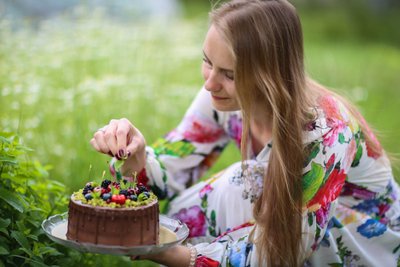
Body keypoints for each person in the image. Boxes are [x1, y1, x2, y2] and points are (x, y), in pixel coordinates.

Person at [90, 0, 400, 266]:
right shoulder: (222, 95)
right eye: (207, 62)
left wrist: (181, 257)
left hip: (363, 242)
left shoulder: (326, 131)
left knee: (242, 183)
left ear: (271, 77)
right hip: (294, 228)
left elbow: (285, 251)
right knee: (194, 208)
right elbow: (171, 175)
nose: (210, 83)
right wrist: (138, 152)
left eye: (229, 74)